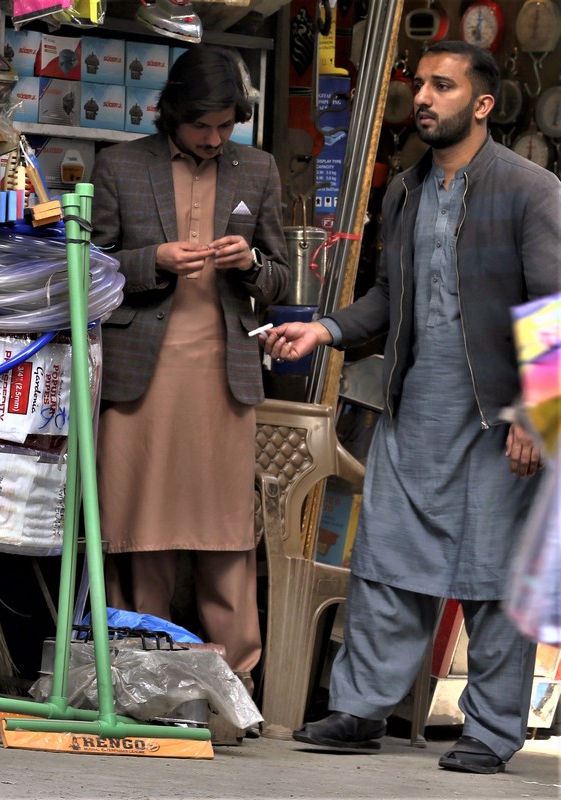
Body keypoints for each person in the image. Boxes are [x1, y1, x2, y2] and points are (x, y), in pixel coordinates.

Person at [262, 41, 559, 774]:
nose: (423, 97)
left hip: (500, 420)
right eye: (420, 84)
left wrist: (536, 415)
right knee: (386, 562)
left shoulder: (530, 189)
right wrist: (325, 329)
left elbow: (555, 312)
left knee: (493, 578)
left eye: (443, 86)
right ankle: (361, 711)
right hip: (413, 406)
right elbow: (392, 299)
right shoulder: (404, 189)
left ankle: (490, 733)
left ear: (482, 104)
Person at [90, 45, 290, 685]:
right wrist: (154, 261)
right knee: (137, 525)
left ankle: (237, 680)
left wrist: (251, 265)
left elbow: (282, 276)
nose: (213, 138)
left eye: (225, 127)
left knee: (227, 529)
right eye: (202, 126)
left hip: (223, 375)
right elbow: (88, 268)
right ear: (172, 113)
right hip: (141, 373)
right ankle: (131, 672)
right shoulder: (120, 166)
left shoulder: (256, 170)